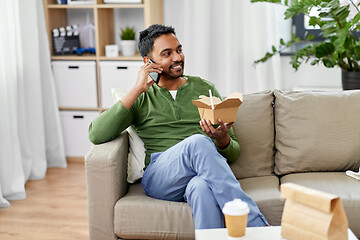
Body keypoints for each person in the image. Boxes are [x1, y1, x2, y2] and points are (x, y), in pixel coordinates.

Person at [88, 24, 268, 229]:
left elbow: (233, 154)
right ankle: (257, 227)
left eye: (179, 50)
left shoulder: (204, 88)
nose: (177, 58)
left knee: (201, 188)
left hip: (199, 175)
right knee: (198, 142)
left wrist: (221, 139)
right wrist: (137, 88)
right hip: (160, 177)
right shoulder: (142, 96)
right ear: (148, 62)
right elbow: (96, 134)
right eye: (167, 54)